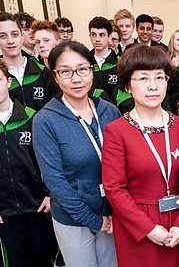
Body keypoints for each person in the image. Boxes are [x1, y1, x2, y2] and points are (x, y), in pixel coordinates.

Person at [102, 44, 179, 267]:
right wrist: (148, 229)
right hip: (137, 226)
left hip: (177, 223)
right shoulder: (117, 131)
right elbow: (114, 189)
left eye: (159, 77)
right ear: (128, 86)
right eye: (143, 78)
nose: (153, 86)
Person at [32, 41, 120, 267]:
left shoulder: (109, 111)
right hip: (73, 219)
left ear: (91, 70)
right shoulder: (46, 120)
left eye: (82, 69)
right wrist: (94, 220)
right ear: (55, 76)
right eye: (66, 71)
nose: (76, 78)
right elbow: (54, 181)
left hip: (113, 213)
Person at [0, 58, 55, 267]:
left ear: (9, 82)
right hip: (5, 212)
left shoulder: (32, 117)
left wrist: (49, 194)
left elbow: (46, 159)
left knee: (43, 257)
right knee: (14, 261)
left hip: (37, 205)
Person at [0, 12, 56, 111]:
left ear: (22, 36)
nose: (10, 41)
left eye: (15, 34)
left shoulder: (42, 72)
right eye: (3, 36)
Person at [88, 16, 118, 99]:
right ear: (89, 36)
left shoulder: (120, 63)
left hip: (114, 110)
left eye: (102, 35)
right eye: (94, 35)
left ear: (109, 37)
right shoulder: (85, 63)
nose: (97, 39)